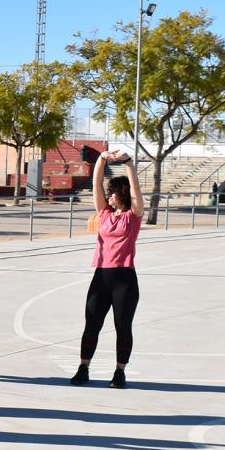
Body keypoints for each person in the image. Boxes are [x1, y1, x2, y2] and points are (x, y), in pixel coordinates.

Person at [70, 148, 144, 389]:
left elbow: (136, 192)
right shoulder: (105, 213)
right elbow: (96, 186)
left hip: (124, 278)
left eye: (113, 192)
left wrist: (128, 165)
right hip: (101, 276)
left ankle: (120, 372)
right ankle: (83, 368)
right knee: (91, 324)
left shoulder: (133, 216)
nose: (109, 196)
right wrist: (102, 159)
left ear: (121, 194)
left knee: (122, 327)